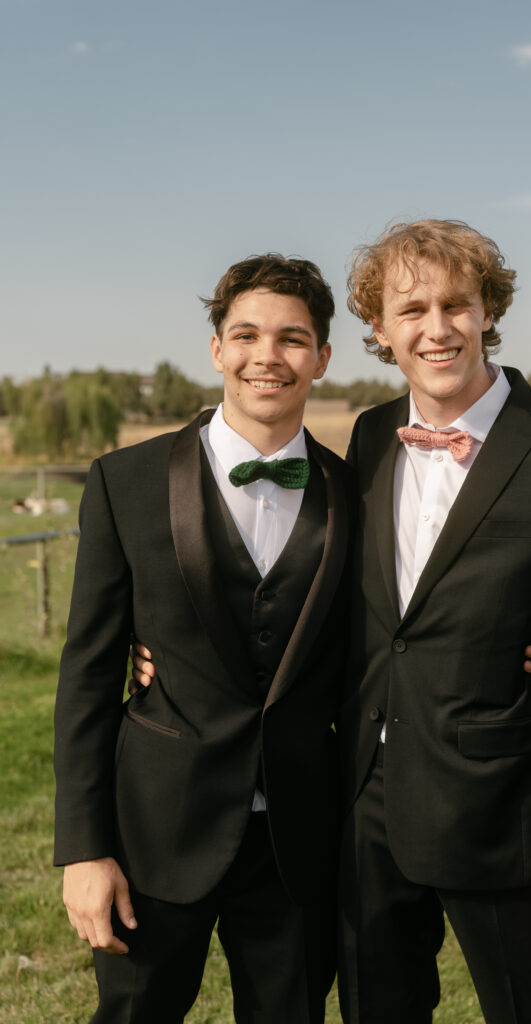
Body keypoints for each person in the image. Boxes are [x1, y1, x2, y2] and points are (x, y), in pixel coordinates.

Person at [336, 219, 531, 1024]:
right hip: (364, 805)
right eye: (410, 310)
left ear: (487, 311)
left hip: (500, 807)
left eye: (454, 305)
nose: (435, 329)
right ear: (378, 328)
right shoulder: (367, 438)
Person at [54, 254, 354, 1024]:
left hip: (297, 839)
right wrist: (84, 850)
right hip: (156, 829)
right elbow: (87, 676)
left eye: (292, 339)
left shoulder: (352, 495)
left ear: (321, 357)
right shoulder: (124, 481)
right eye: (246, 334)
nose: (267, 356)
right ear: (217, 348)